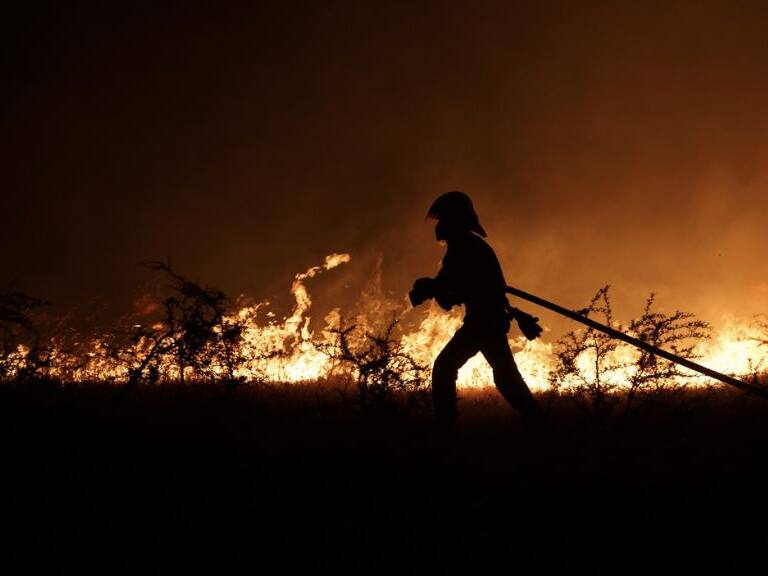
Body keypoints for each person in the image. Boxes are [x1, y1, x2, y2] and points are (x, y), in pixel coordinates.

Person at [409, 191, 544, 425]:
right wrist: (433, 288)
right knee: (505, 377)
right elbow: (452, 291)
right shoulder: (465, 247)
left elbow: (455, 288)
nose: (440, 226)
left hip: (484, 322)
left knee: (445, 367)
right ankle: (537, 420)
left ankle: (446, 425)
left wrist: (429, 287)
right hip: (486, 320)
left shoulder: (466, 248)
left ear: (455, 220)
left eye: (444, 219)